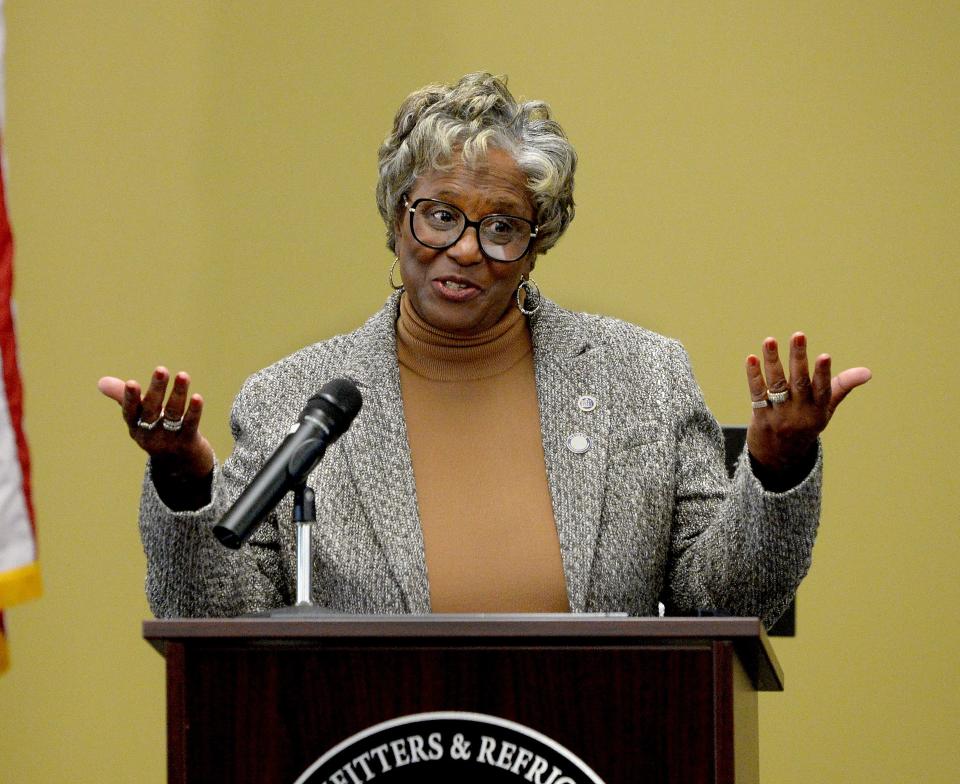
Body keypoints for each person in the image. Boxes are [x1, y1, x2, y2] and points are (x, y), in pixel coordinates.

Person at [99, 73, 870, 624]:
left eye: (500, 226)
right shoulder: (292, 398)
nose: (464, 250)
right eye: (439, 215)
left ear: (537, 245)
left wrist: (778, 466)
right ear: (396, 219)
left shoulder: (645, 378)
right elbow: (211, 615)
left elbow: (726, 602)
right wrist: (184, 483)